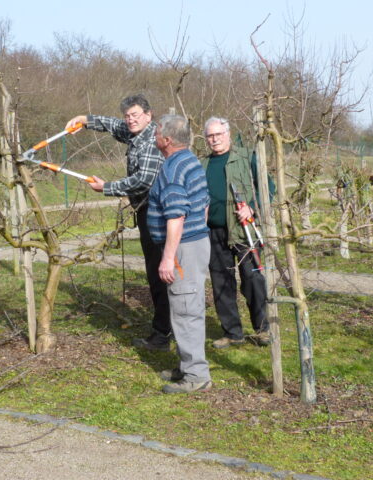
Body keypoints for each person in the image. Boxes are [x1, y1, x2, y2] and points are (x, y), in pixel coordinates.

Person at [66, 94, 171, 351]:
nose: (130, 120)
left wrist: (107, 187)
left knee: (161, 274)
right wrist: (86, 120)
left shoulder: (150, 142)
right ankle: (167, 329)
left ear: (149, 115)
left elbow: (143, 180)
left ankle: (163, 335)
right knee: (156, 272)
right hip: (147, 212)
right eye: (128, 115)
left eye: (136, 115)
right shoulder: (136, 132)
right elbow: (114, 125)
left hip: (157, 214)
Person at [147, 114, 211, 394]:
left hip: (183, 247)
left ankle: (196, 375)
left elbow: (176, 216)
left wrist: (167, 257)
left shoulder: (173, 168)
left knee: (186, 310)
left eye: (157, 132)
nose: (154, 136)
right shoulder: (191, 161)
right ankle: (187, 366)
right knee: (186, 304)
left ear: (167, 140)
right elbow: (204, 205)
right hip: (194, 243)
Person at [201, 117, 272, 349]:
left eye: (219, 134)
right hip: (214, 232)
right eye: (210, 136)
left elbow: (267, 187)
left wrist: (252, 207)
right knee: (221, 282)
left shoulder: (246, 157)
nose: (215, 139)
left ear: (228, 134)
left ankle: (263, 329)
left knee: (253, 279)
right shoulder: (203, 164)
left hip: (244, 231)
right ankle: (232, 332)